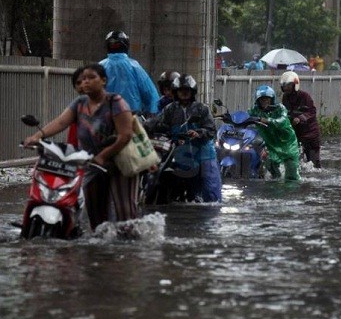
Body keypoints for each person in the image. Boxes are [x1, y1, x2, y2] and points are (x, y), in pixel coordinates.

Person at [23, 63, 136, 231]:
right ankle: (99, 248)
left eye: (91, 78)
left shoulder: (116, 102)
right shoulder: (80, 103)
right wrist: (37, 136)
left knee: (124, 212)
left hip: (117, 163)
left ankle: (131, 247)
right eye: (83, 79)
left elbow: (125, 135)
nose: (86, 82)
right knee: (95, 214)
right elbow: (61, 122)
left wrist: (103, 156)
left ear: (104, 80)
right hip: (90, 163)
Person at [151, 74, 221, 203]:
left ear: (192, 92)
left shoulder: (202, 108)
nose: (183, 93)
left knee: (211, 193)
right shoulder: (169, 110)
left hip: (204, 154)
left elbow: (211, 130)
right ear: (176, 92)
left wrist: (198, 133)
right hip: (180, 154)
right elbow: (159, 125)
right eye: (180, 90)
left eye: (186, 90)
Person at [99, 31, 160, 116]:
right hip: (131, 116)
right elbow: (150, 93)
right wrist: (153, 112)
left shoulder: (100, 66)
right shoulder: (134, 66)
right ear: (126, 45)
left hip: (104, 117)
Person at [248, 85, 300, 181]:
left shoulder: (280, 108)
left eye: (267, 99)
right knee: (271, 166)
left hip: (287, 144)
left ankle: (292, 193)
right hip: (272, 144)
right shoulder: (256, 111)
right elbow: (245, 117)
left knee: (291, 176)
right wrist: (230, 119)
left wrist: (268, 121)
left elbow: (282, 121)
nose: (264, 102)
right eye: (262, 99)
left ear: (272, 99)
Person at [280, 71, 321, 169]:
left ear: (295, 84)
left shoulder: (304, 96)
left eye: (289, 85)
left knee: (314, 164)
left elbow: (312, 112)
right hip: (295, 134)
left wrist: (300, 118)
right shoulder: (285, 98)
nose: (286, 88)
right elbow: (284, 113)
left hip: (310, 134)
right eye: (285, 86)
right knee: (296, 162)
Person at [67, 66, 86, 147]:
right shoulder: (78, 105)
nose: (82, 85)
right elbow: (60, 123)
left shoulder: (110, 103)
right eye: (78, 83)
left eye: (85, 80)